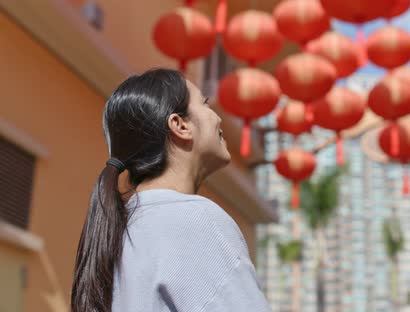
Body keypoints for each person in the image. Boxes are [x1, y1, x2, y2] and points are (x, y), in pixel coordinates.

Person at [71, 69, 271, 312]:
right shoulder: (195, 221)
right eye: (205, 103)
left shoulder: (119, 228)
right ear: (180, 125)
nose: (217, 118)